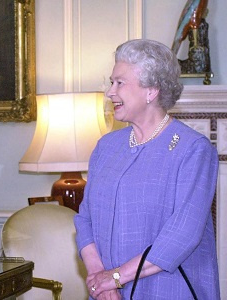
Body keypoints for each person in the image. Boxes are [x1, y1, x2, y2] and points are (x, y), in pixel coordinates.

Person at [74, 39, 220, 299]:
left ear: (151, 90)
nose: (110, 92)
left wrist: (116, 277)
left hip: (169, 289)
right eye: (111, 82)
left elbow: (182, 234)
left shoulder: (193, 150)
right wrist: (100, 279)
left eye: (120, 83)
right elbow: (85, 219)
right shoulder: (107, 147)